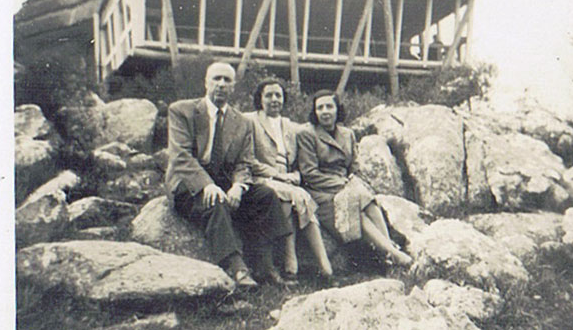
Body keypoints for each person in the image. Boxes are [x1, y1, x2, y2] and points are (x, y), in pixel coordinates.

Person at [165, 61, 292, 287]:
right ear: (206, 82)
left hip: (224, 182)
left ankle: (265, 266)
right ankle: (236, 268)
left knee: (265, 196)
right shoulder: (182, 111)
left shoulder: (241, 121)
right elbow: (181, 156)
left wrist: (238, 186)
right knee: (215, 202)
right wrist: (206, 184)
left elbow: (244, 161)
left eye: (227, 80)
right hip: (189, 183)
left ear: (233, 87)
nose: (221, 84)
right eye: (217, 79)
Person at [296, 90, 412, 266]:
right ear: (315, 112)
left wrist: (352, 181)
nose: (325, 111)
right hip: (321, 191)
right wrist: (342, 184)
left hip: (345, 185)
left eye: (329, 106)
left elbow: (354, 165)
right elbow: (309, 173)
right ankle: (393, 253)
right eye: (320, 108)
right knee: (356, 211)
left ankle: (389, 249)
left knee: (368, 200)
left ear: (337, 109)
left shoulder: (347, 133)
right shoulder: (307, 134)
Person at [245, 78, 333, 283]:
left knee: (293, 198)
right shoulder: (250, 120)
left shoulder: (290, 125)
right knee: (299, 196)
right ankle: (295, 260)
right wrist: (278, 175)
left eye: (278, 95)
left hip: (286, 182)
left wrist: (296, 175)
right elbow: (248, 159)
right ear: (260, 99)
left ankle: (322, 266)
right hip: (262, 178)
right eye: (269, 95)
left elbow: (299, 161)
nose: (274, 99)